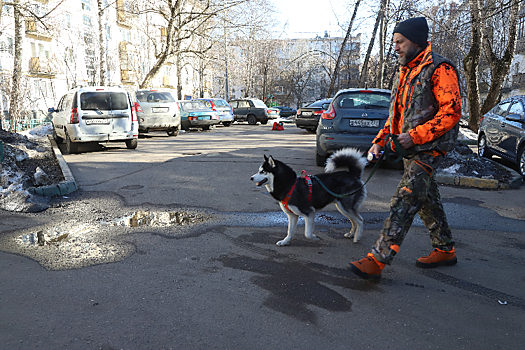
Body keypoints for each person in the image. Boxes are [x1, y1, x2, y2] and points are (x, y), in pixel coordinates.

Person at [347, 17, 462, 281]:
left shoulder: (439, 68)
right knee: (426, 200)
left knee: (406, 198)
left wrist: (415, 136)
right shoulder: (405, 71)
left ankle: (377, 260)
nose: (395, 47)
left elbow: (452, 112)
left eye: (400, 41)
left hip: (430, 148)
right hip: (409, 146)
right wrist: (379, 140)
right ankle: (445, 249)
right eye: (394, 42)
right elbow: (395, 115)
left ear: (416, 41)